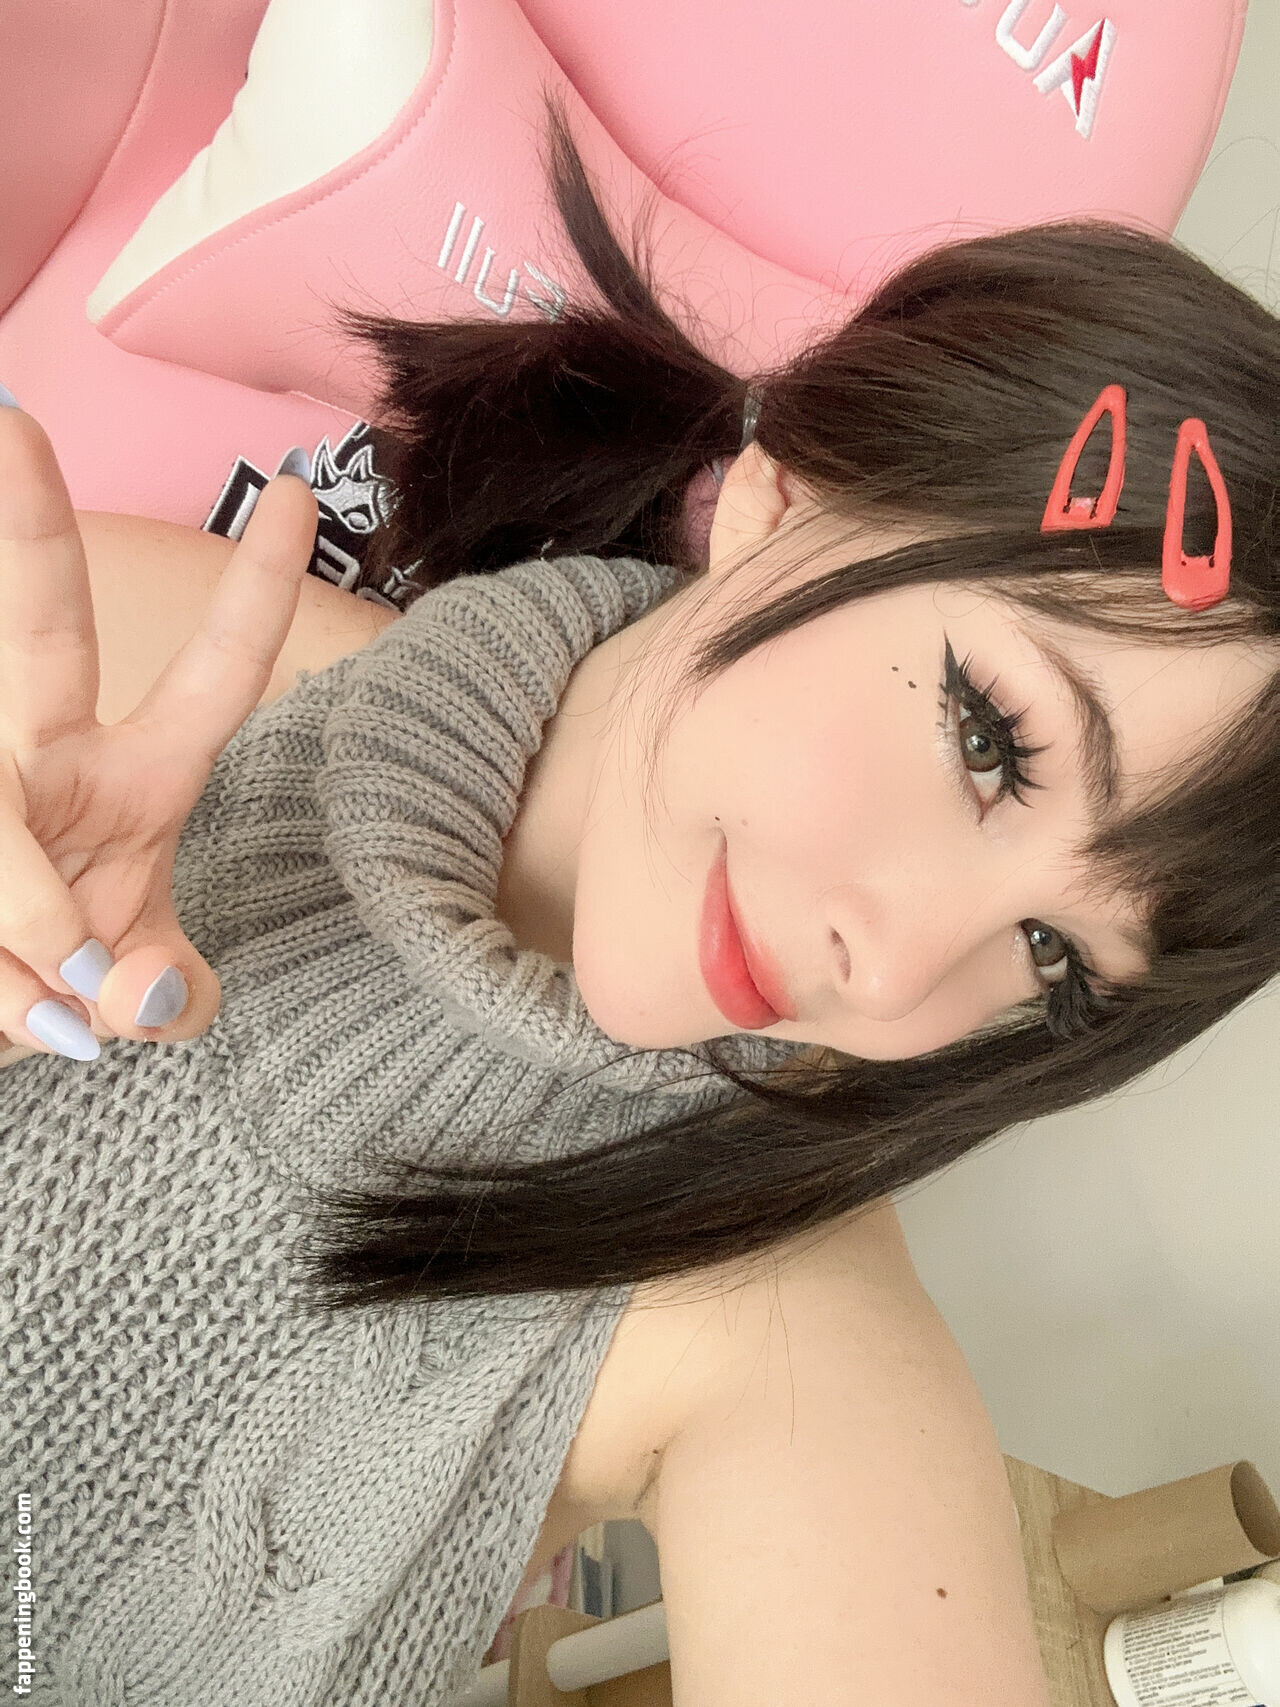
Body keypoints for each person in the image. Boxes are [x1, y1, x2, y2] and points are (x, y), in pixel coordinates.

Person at [1, 111, 1276, 1705]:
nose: (892, 972)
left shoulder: (775, 1326)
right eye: (988, 740)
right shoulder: (122, 704)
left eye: (1053, 957)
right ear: (783, 498)